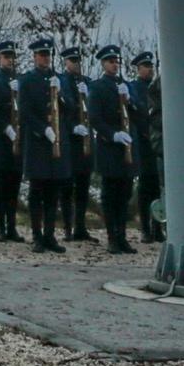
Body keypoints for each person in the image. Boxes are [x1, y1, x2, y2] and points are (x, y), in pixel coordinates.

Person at [16, 39, 66, 254]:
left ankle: (50, 235)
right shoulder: (27, 81)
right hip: (37, 142)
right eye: (41, 54)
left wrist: (61, 95)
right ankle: (37, 235)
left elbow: (70, 109)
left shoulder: (58, 79)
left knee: (53, 194)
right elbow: (25, 111)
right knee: (37, 192)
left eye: (47, 55)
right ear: (35, 57)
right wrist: (42, 129)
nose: (45, 58)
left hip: (55, 142)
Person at [87, 45, 137, 255]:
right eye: (110, 61)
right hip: (109, 148)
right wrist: (112, 134)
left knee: (125, 194)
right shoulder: (98, 87)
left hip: (126, 148)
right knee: (110, 196)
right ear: (103, 64)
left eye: (116, 61)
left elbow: (138, 114)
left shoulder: (125, 86)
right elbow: (95, 119)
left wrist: (130, 102)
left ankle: (122, 236)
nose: (114, 65)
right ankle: (112, 237)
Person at [0, 39, 25, 242]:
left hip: (18, 137)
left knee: (14, 183)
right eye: (6, 57)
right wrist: (5, 128)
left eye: (11, 57)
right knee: (2, 184)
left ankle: (12, 226)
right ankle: (1, 226)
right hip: (1, 138)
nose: (9, 60)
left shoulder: (18, 79)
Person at [56, 42, 95, 242]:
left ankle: (80, 226)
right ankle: (68, 227)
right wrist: (72, 127)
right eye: (72, 60)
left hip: (85, 141)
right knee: (67, 187)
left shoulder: (87, 82)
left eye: (78, 60)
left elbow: (95, 110)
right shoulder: (61, 82)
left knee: (82, 186)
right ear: (65, 62)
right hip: (70, 140)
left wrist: (88, 95)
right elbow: (62, 109)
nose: (76, 64)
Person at [130, 52, 165, 242]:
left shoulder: (157, 88)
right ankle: (145, 228)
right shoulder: (134, 88)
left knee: (157, 188)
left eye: (151, 66)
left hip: (158, 143)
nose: (149, 69)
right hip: (144, 143)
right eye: (146, 66)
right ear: (138, 69)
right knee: (145, 188)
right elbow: (138, 114)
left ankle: (157, 226)